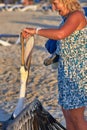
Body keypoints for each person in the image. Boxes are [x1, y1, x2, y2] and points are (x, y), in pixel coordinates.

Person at [22, 0, 87, 130]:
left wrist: (36, 30)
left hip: (77, 73)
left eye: (55, 3)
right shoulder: (67, 18)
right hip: (65, 71)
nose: (53, 7)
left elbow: (61, 34)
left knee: (76, 116)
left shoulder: (77, 15)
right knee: (68, 115)